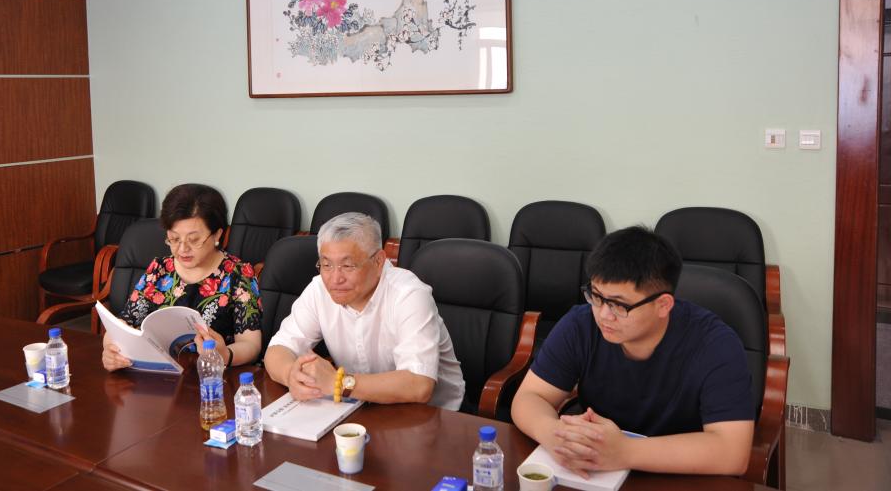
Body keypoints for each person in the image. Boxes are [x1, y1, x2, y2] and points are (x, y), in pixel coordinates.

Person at [511, 225, 754, 478]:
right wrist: (555, 435)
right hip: (601, 472)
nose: (604, 315)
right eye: (597, 296)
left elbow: (732, 453)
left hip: (683, 474)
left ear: (663, 305)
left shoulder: (715, 344)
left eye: (619, 305)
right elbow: (529, 397)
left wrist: (625, 451)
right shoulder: (580, 324)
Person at [263, 212, 464, 410]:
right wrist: (291, 375)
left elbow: (419, 385)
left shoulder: (409, 294)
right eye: (326, 265)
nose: (335, 279)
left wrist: (338, 382)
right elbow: (278, 349)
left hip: (434, 415)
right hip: (361, 407)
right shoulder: (319, 289)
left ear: (378, 261)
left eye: (348, 265)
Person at [102, 183, 262, 371]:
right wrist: (111, 349)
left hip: (215, 377)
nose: (183, 249)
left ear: (217, 234)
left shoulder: (239, 274)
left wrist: (225, 354)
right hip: (161, 375)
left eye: (194, 240)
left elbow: (251, 345)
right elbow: (124, 324)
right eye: (174, 239)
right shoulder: (159, 270)